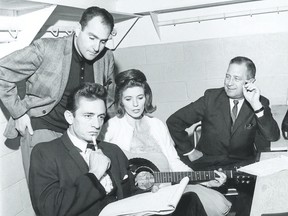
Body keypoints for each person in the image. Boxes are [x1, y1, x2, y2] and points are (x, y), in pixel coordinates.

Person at [29, 82, 208, 216]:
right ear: (70, 117)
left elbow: (129, 189)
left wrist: (146, 190)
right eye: (88, 116)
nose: (96, 124)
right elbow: (49, 210)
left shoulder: (111, 150)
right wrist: (94, 175)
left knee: (190, 203)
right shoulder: (46, 153)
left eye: (100, 117)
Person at [0, 6, 116, 179]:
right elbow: (2, 71)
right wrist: (18, 112)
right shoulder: (46, 48)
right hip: (42, 127)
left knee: (78, 193)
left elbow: (109, 95)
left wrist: (101, 123)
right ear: (78, 30)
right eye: (92, 38)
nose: (96, 47)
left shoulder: (106, 58)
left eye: (103, 41)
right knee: (47, 196)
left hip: (77, 135)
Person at [99, 69, 232, 216]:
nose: (136, 104)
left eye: (140, 97)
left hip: (166, 190)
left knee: (207, 202)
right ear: (120, 101)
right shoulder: (111, 127)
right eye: (128, 99)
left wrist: (204, 180)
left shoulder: (157, 125)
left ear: (147, 97)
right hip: (132, 197)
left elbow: (174, 163)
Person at [166, 56, 280, 216]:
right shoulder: (211, 98)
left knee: (256, 204)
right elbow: (174, 121)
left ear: (250, 81)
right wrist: (189, 151)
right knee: (188, 202)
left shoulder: (259, 102)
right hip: (206, 164)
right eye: (228, 76)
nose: (229, 83)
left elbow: (272, 136)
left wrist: (256, 106)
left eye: (237, 78)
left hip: (241, 168)